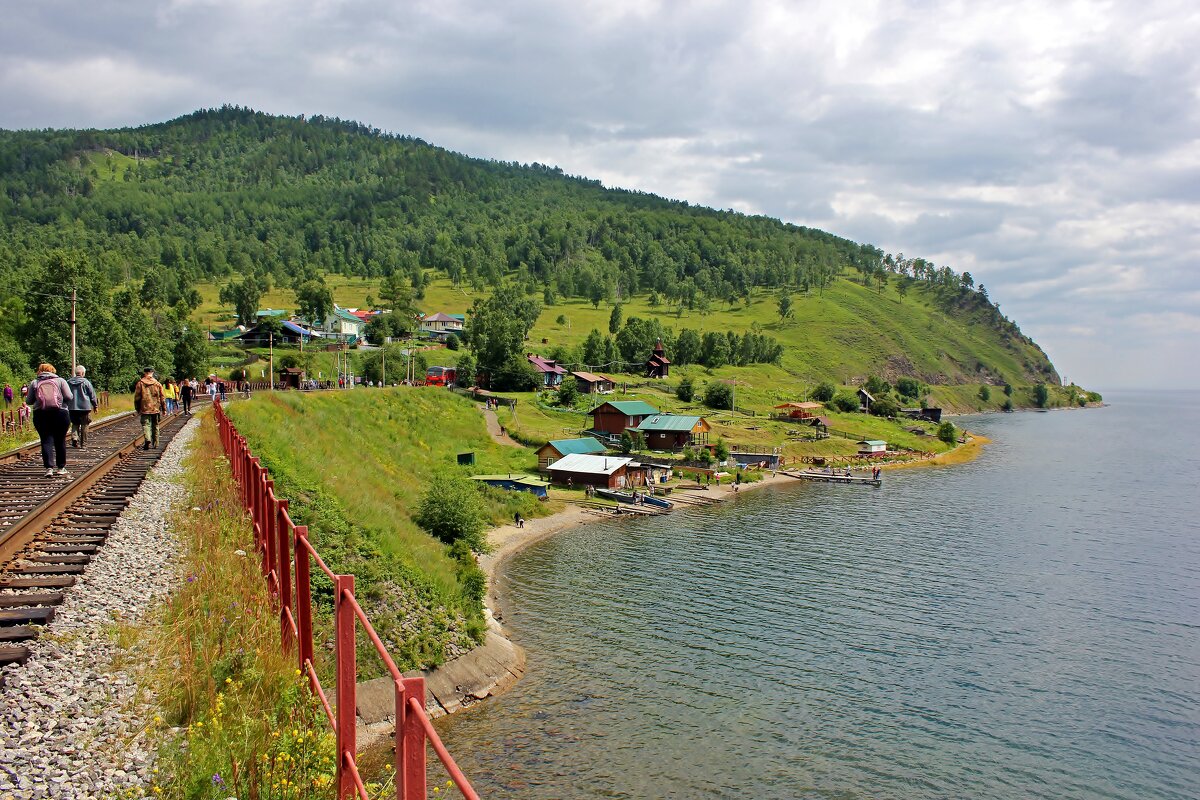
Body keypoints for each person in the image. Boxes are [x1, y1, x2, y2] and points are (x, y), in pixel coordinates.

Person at [27, 363, 73, 478]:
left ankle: (49, 468)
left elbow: (29, 401)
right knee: (60, 439)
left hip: (41, 414)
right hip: (60, 413)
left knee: (46, 440)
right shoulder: (61, 381)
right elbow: (69, 396)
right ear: (53, 370)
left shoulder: (34, 382)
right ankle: (61, 467)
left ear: (40, 371)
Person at [66, 365, 98, 448]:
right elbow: (92, 395)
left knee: (75, 423)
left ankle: (74, 438)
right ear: (83, 373)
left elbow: (65, 394)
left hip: (72, 407)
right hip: (84, 408)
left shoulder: (68, 382)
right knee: (85, 425)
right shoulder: (86, 382)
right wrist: (95, 405)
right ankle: (83, 444)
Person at [133, 366, 165, 449]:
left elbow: (137, 397)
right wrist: (164, 408)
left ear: (144, 373)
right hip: (156, 408)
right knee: (156, 425)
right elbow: (162, 397)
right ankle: (156, 443)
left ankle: (148, 438)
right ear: (152, 373)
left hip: (145, 408)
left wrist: (137, 408)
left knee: (146, 425)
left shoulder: (140, 383)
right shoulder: (157, 383)